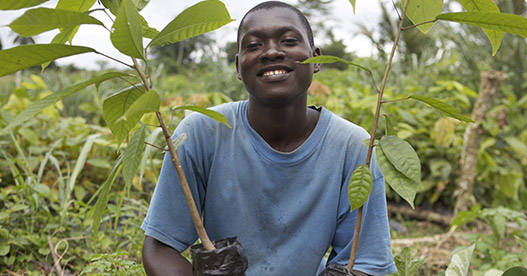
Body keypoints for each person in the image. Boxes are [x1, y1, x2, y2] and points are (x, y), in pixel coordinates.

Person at [141, 1, 396, 275]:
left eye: (288, 40)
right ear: (239, 67)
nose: (272, 51)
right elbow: (159, 247)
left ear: (316, 59)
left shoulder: (353, 147)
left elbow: (366, 263)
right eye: (253, 45)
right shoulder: (203, 133)